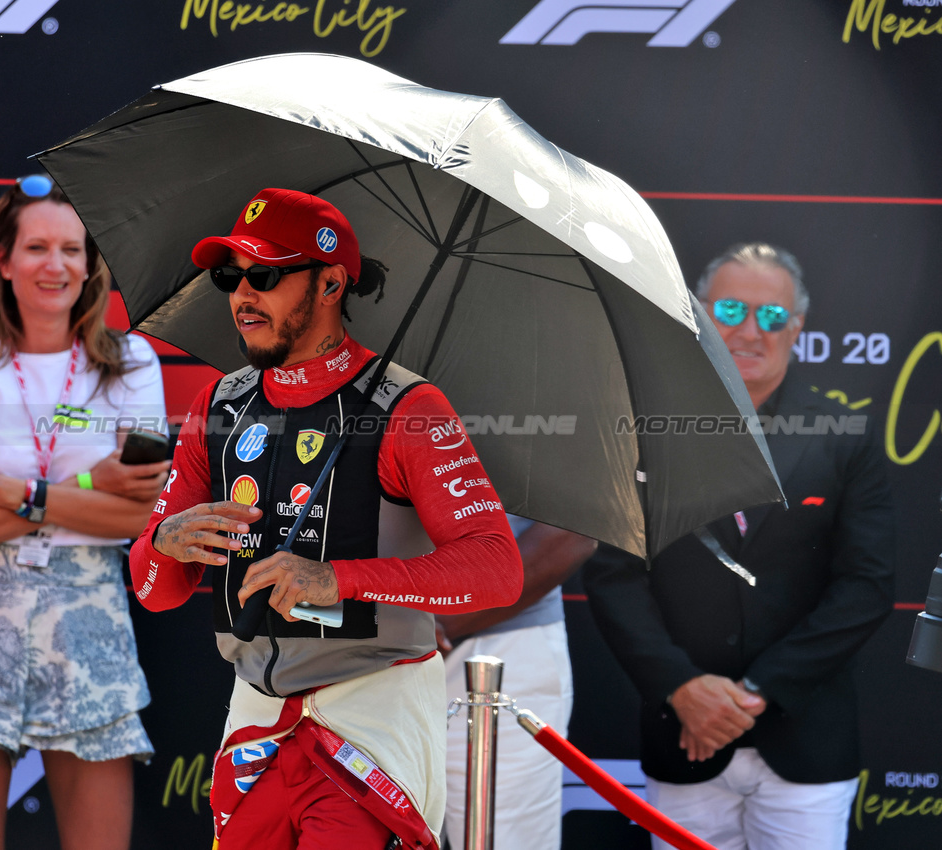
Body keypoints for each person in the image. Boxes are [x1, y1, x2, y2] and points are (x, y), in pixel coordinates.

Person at [127, 187, 524, 850]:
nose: (241, 295)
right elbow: (156, 593)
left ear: (332, 282)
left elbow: (496, 570)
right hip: (254, 716)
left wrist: (336, 578)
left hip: (373, 721)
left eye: (266, 275)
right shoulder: (217, 405)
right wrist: (165, 542)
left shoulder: (409, 407)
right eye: (230, 276)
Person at [582, 243, 895, 850]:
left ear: (797, 327)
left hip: (806, 748)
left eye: (772, 316)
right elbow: (615, 576)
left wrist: (753, 695)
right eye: (729, 309)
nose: (751, 331)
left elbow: (866, 586)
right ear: (697, 312)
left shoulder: (845, 437)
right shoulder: (646, 430)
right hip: (682, 739)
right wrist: (682, 689)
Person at [0, 175, 170, 850]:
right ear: (3, 259)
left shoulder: (132, 364)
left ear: (89, 264)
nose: (57, 265)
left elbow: (141, 520)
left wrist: (24, 493)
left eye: (72, 250)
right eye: (38, 247)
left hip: (90, 636)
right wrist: (86, 487)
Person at [436, 517, 596, 850]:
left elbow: (576, 529)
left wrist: (438, 619)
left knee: (506, 840)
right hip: (371, 638)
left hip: (499, 640)